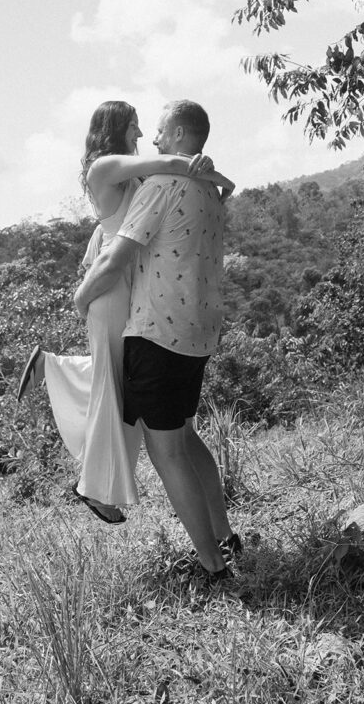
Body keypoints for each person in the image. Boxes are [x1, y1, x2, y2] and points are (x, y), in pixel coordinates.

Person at [17, 100, 234, 525]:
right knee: (111, 386)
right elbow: (173, 159)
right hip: (111, 287)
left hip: (133, 287)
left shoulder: (136, 173)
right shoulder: (105, 167)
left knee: (114, 378)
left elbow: (173, 170)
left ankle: (54, 367)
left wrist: (220, 180)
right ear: (115, 128)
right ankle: (94, 488)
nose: (141, 135)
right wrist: (211, 170)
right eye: (135, 127)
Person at [73, 100, 240, 581]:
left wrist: (81, 297)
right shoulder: (205, 189)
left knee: (166, 449)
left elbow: (115, 260)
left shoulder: (162, 186)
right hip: (197, 329)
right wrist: (206, 168)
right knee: (185, 436)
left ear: (181, 132)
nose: (152, 136)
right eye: (141, 128)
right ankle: (225, 535)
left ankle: (212, 563)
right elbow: (216, 182)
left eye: (161, 129)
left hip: (156, 329)